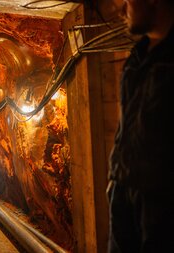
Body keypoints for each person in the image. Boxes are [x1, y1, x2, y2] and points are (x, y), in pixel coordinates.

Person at [107, 0, 174, 252]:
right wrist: (115, 177)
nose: (120, 10)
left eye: (126, 1)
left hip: (161, 202)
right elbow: (127, 126)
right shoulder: (137, 57)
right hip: (124, 192)